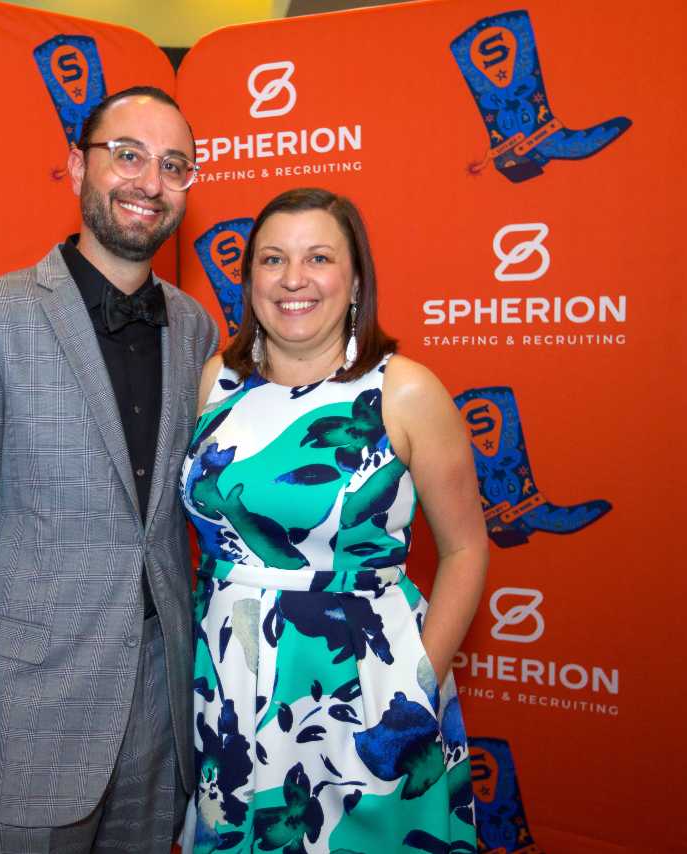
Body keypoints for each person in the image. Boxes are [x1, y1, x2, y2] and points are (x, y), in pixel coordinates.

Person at [0, 86, 219, 853]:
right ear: (75, 167)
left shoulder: (194, 326)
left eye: (173, 164)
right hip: (29, 713)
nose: (150, 182)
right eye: (128, 155)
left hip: (161, 702)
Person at [179, 188, 488, 852]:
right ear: (250, 279)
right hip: (230, 684)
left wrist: (417, 684)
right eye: (272, 259)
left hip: (363, 685)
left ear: (354, 281)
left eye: (318, 257)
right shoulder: (215, 385)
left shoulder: (403, 390)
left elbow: (466, 550)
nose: (293, 279)